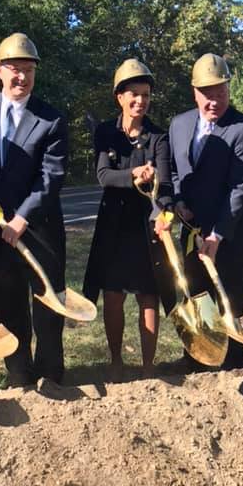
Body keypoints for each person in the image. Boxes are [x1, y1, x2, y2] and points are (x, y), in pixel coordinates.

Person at [0, 33, 68, 387]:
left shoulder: (50, 119)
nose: (21, 77)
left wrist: (22, 218)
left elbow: (50, 177)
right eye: (14, 70)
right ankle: (18, 374)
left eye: (28, 70)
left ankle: (51, 375)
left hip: (40, 229)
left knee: (48, 306)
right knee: (8, 305)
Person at [83, 59, 175, 378]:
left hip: (146, 226)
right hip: (113, 226)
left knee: (148, 295)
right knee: (113, 294)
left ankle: (149, 366)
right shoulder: (106, 133)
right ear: (119, 97)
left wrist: (162, 208)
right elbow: (104, 175)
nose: (140, 101)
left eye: (146, 95)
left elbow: (166, 184)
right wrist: (133, 175)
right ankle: (116, 362)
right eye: (133, 94)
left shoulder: (159, 137)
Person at [167, 53, 243, 369]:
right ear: (195, 92)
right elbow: (177, 171)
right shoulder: (179, 125)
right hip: (192, 231)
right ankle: (199, 358)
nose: (214, 101)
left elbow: (241, 187)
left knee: (230, 299)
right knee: (197, 296)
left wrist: (218, 234)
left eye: (220, 92)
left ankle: (233, 364)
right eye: (207, 93)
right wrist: (178, 202)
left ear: (228, 89)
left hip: (230, 233)